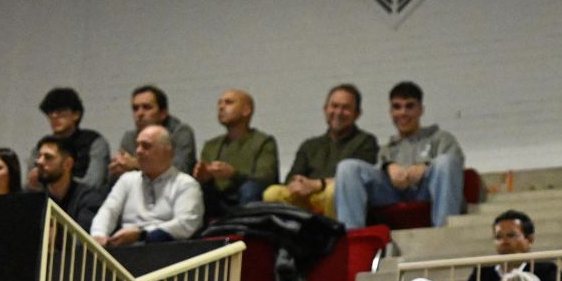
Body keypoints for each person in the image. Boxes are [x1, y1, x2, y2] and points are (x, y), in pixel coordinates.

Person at [334, 80, 465, 231]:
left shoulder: (440, 137)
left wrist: (426, 167)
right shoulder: (386, 149)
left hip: (427, 190)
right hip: (392, 193)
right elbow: (375, 173)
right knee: (347, 167)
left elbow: (455, 165)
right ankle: (354, 239)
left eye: (409, 106)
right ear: (390, 111)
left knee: (446, 161)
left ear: (421, 110)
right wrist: (388, 166)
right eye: (397, 107)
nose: (402, 112)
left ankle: (444, 232)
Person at [264, 83, 376, 215]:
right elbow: (292, 177)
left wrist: (317, 184)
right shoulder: (310, 145)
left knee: (333, 191)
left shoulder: (366, 141)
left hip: (338, 198)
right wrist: (299, 185)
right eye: (334, 106)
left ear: (357, 114)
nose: (338, 112)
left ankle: (333, 235)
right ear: (325, 109)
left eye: (346, 108)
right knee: (272, 193)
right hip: (306, 198)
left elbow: (355, 180)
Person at [85, 126, 200, 243]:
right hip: (126, 249)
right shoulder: (127, 180)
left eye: (146, 146)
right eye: (138, 145)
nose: (138, 151)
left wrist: (142, 234)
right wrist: (98, 234)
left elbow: (185, 224)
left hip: (168, 251)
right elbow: (108, 211)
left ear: (168, 151)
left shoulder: (186, 184)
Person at [192, 88, 278, 212]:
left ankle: (244, 228)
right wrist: (204, 176)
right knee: (193, 189)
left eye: (229, 102)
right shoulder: (211, 145)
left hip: (247, 196)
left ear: (246, 110)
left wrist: (233, 174)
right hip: (218, 199)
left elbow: (266, 179)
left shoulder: (263, 141)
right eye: (220, 103)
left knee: (250, 189)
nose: (221, 107)